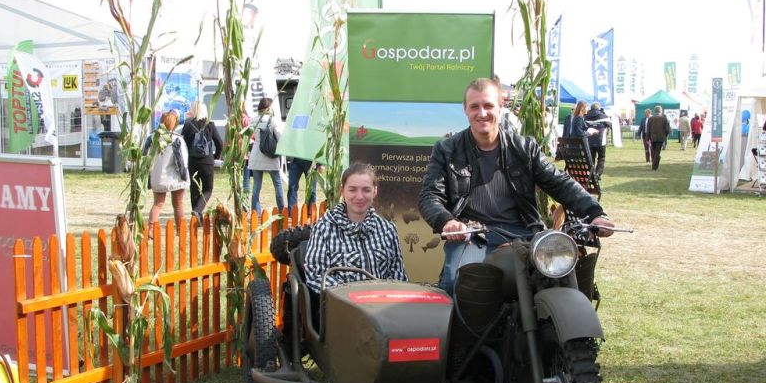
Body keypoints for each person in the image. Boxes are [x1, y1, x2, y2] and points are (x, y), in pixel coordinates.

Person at [418, 78, 614, 294]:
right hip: (473, 236)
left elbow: (560, 183)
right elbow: (429, 196)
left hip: (523, 234)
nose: (482, 113)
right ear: (465, 110)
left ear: (501, 107)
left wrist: (595, 212)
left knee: (563, 277)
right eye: (474, 106)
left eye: (488, 105)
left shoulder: (524, 148)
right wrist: (448, 222)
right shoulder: (447, 150)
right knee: (460, 284)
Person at [303, 162, 408, 295]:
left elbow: (398, 274)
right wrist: (352, 295)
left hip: (382, 307)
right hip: (343, 308)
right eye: (352, 189)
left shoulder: (387, 229)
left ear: (375, 191)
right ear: (342, 190)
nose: (359, 196)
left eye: (366, 190)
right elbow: (316, 275)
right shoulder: (324, 228)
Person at [146, 111, 189, 235]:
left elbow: (145, 156)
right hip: (175, 177)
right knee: (178, 204)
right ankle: (180, 231)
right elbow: (181, 160)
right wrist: (184, 175)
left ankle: (151, 230)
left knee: (157, 204)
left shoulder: (152, 137)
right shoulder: (176, 139)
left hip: (157, 176)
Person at [182, 100, 223, 225]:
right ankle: (197, 210)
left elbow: (182, 144)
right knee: (208, 188)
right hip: (207, 161)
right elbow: (219, 143)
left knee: (194, 188)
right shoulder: (210, 124)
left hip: (192, 161)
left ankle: (197, 216)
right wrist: (216, 155)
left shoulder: (188, 125)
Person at [248, 97, 284, 214]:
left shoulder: (254, 120)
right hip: (270, 155)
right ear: (269, 107)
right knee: (277, 184)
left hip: (256, 155)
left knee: (257, 186)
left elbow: (250, 136)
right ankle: (281, 209)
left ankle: (255, 211)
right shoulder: (273, 120)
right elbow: (279, 137)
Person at [584, 102, 611, 179]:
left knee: (591, 157)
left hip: (590, 140)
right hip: (601, 140)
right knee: (601, 157)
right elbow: (610, 125)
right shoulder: (603, 116)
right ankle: (598, 174)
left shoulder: (586, 116)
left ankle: (591, 174)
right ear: (599, 108)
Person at [647, 105, 671, 171]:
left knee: (654, 152)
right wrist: (665, 135)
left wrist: (647, 138)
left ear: (654, 111)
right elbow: (667, 130)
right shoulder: (664, 119)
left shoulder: (650, 119)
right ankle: (655, 166)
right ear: (661, 111)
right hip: (660, 138)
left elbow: (648, 130)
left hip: (653, 138)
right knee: (657, 152)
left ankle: (654, 165)